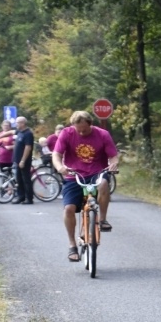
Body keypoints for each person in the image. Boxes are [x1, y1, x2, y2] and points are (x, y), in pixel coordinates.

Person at [52, 110, 119, 262]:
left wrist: (114, 164)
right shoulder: (66, 133)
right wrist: (59, 167)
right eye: (78, 129)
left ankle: (102, 220)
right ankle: (72, 245)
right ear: (73, 125)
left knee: (103, 184)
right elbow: (56, 154)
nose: (81, 132)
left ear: (91, 124)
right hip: (73, 174)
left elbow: (113, 155)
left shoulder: (102, 134)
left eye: (84, 129)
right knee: (69, 209)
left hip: (97, 172)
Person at [11, 116, 35, 204]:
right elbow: (10, 132)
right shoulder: (19, 132)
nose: (16, 124)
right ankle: (21, 197)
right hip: (17, 160)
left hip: (24, 161)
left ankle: (29, 198)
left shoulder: (28, 133)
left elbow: (28, 147)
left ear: (22, 123)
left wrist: (23, 160)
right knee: (19, 179)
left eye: (17, 123)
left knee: (26, 179)